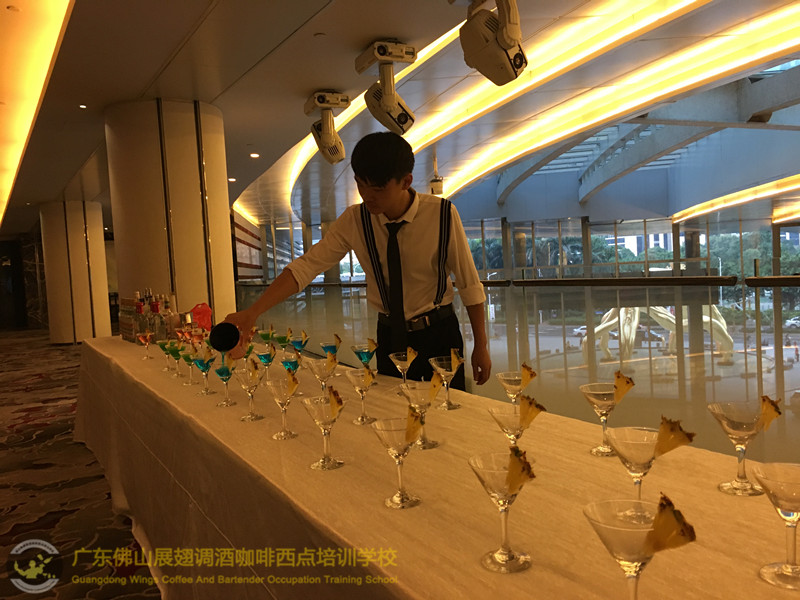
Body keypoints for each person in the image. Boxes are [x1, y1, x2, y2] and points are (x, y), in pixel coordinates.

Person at [224, 131, 491, 388]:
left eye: (378, 189)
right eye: (360, 184)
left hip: (440, 333)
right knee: (393, 407)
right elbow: (306, 266)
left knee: (448, 409)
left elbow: (469, 285)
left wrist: (481, 345)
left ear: (406, 181)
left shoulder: (442, 214)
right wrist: (253, 312)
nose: (366, 195)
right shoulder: (356, 220)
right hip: (389, 334)